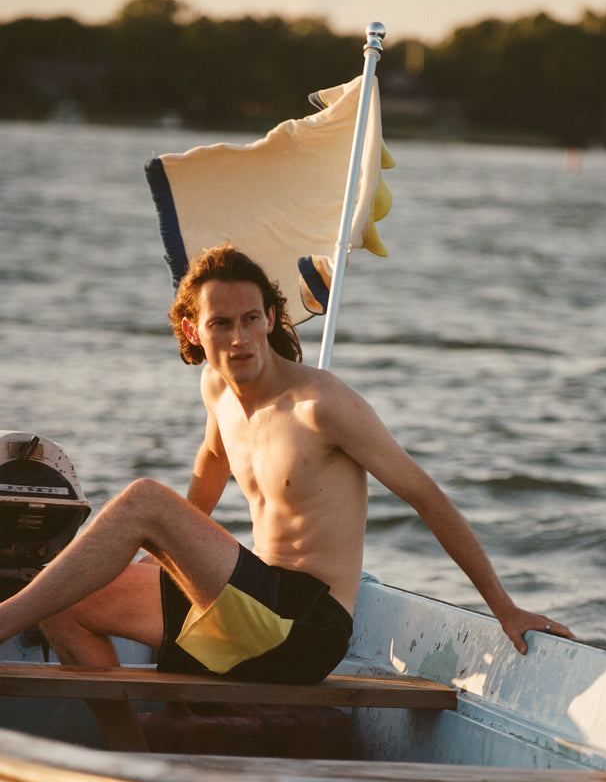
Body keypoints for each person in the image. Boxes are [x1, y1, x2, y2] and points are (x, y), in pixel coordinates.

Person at [0, 244, 573, 748]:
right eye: (222, 323)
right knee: (63, 602)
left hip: (304, 625)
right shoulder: (216, 389)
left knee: (144, 500)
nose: (241, 337)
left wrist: (506, 609)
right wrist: (165, 560)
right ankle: (132, 756)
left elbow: (428, 498)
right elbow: (209, 469)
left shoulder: (321, 407)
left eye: (252, 318)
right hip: (246, 611)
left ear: (272, 318)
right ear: (194, 331)